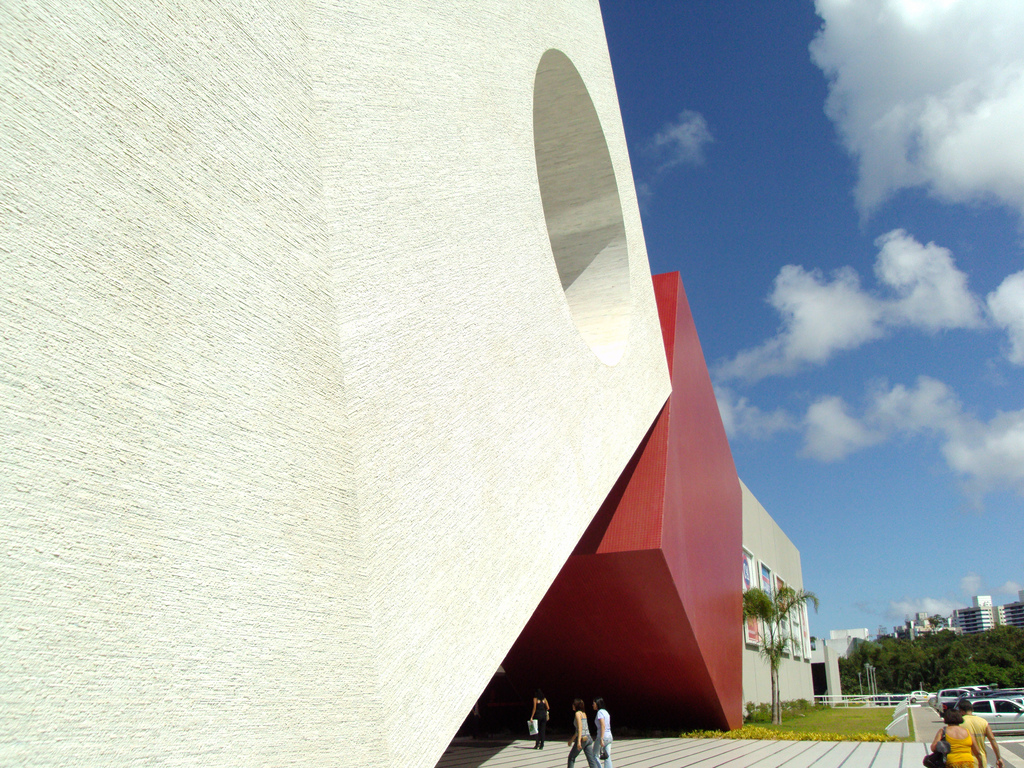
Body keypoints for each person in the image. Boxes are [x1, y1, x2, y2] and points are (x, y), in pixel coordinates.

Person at [959, 700, 1005, 768]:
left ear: (961, 711)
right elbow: (992, 739)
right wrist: (998, 758)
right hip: (981, 760)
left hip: (965, 760)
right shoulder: (983, 722)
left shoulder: (959, 723)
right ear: (972, 709)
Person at [567, 698, 599, 768]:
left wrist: (578, 741)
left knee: (571, 758)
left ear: (576, 705)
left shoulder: (577, 714)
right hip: (588, 737)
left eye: (573, 704)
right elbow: (578, 730)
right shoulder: (584, 714)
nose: (572, 705)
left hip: (582, 739)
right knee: (591, 760)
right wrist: (571, 740)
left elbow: (580, 727)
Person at [593, 698, 613, 768]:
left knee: (594, 755)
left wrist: (601, 738)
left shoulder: (600, 712)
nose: (592, 705)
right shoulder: (606, 712)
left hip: (602, 737)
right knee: (607, 756)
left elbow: (603, 725)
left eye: (594, 703)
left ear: (597, 704)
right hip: (609, 736)